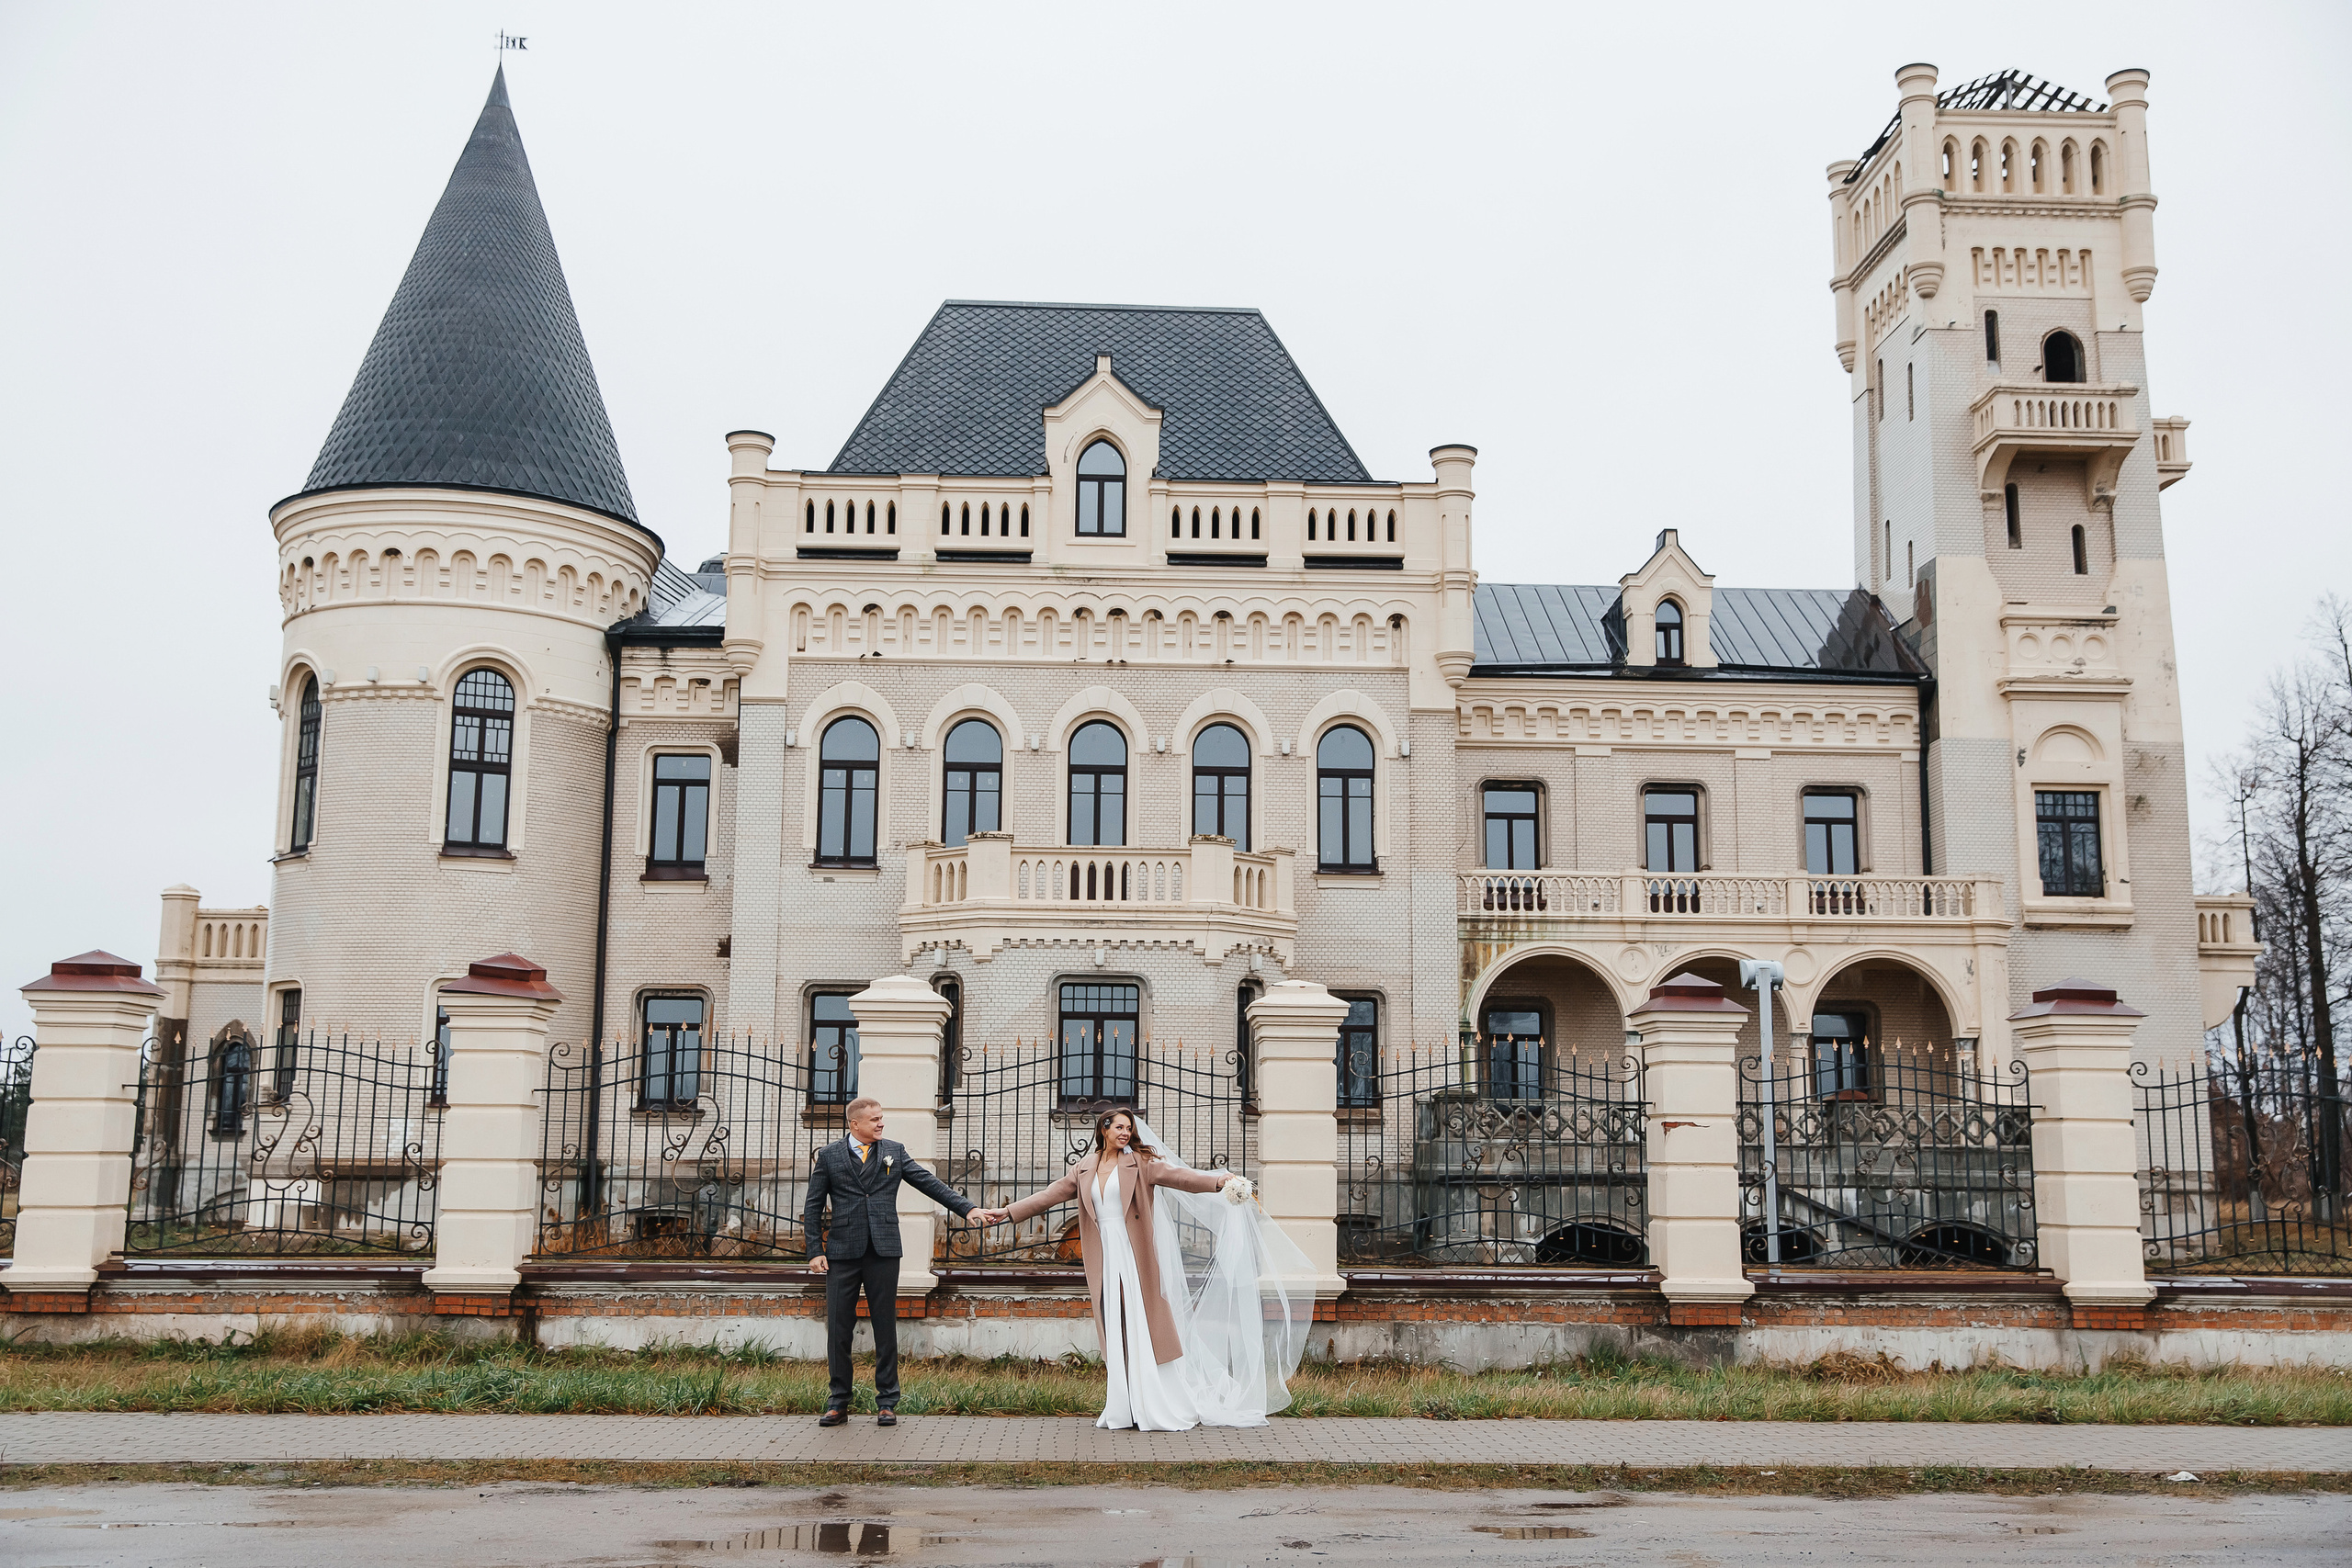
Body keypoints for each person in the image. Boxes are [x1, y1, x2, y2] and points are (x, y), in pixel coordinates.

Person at [979, 1106, 1312, 1430]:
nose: (1125, 1133)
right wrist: (1007, 1212)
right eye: (1119, 1128)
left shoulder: (1142, 1163)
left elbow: (1182, 1177)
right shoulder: (1084, 1169)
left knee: (1141, 1322)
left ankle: (1155, 1403)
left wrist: (1218, 1181)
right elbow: (1049, 1195)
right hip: (1105, 1257)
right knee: (1117, 1325)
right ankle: (1125, 1406)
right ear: (1103, 1130)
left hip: (1134, 1255)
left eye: (1129, 1128)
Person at [803, 1094, 977, 1427]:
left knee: (885, 1326)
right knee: (839, 1329)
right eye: (874, 1119)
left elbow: (929, 1183)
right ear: (855, 1124)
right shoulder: (830, 1155)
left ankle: (887, 1402)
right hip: (841, 1252)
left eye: (882, 1118)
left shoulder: (894, 1152)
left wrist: (967, 1209)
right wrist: (814, 1250)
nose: (881, 1123)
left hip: (883, 1250)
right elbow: (813, 1206)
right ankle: (838, 1401)